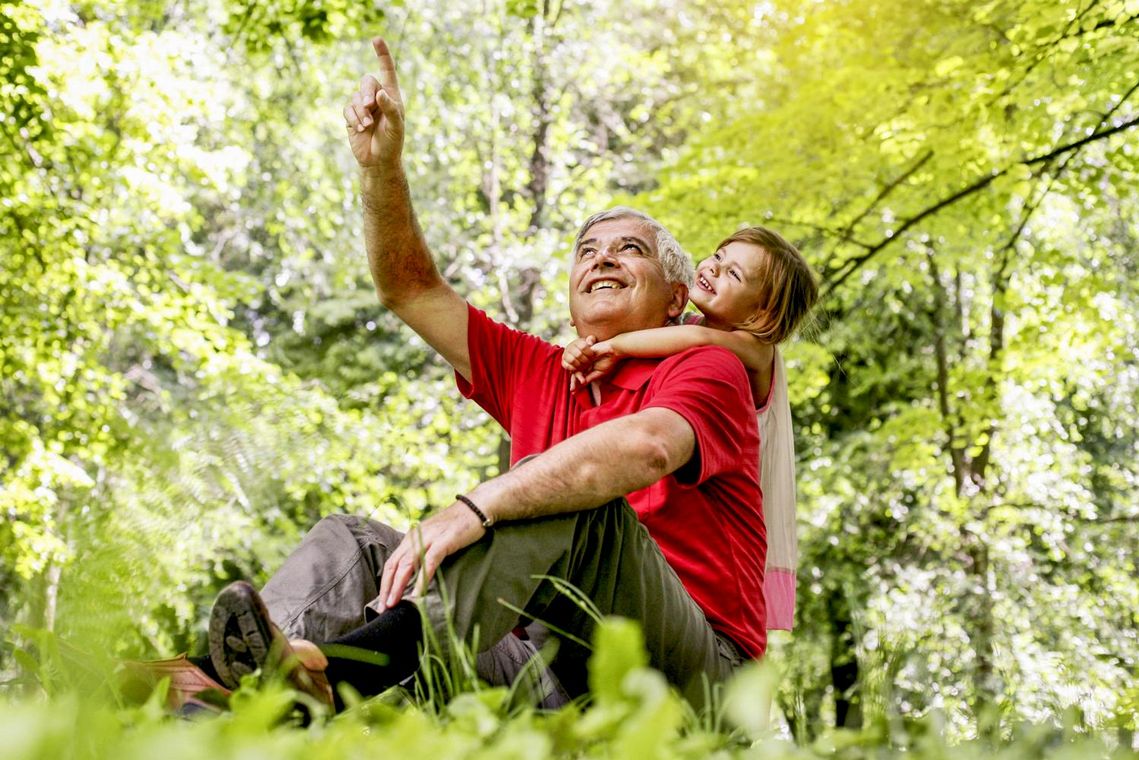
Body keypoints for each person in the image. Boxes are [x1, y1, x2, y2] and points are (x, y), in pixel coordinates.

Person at [124, 36, 768, 714]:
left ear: (676, 296)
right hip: (547, 671)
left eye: (629, 250)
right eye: (587, 252)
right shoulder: (537, 369)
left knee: (567, 502)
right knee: (356, 544)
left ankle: (331, 675)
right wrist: (380, 168)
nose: (602, 260)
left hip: (692, 680)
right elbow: (410, 289)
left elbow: (647, 447)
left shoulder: (707, 364)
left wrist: (474, 506)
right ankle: (226, 697)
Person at [561, 227, 818, 630]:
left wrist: (612, 346)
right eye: (718, 256)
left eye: (733, 275)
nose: (712, 269)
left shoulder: (755, 350)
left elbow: (695, 338)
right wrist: (587, 343)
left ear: (760, 314)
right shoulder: (693, 328)